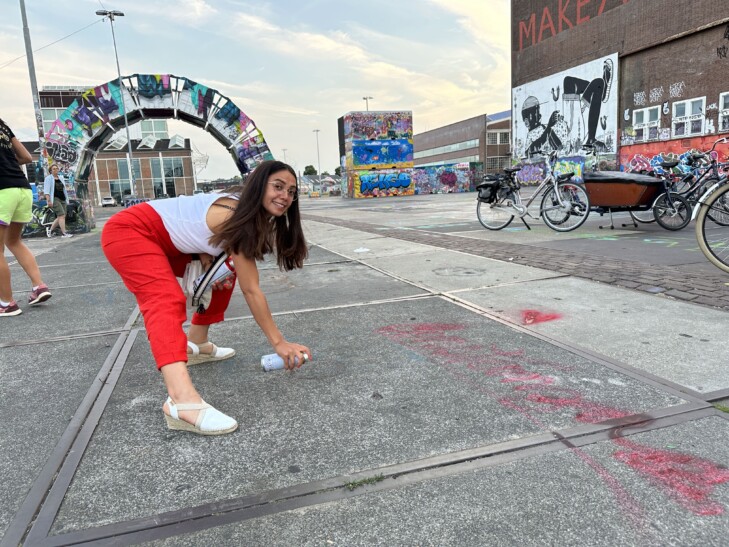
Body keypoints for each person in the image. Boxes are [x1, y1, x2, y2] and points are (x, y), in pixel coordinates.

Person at [101, 160, 312, 436]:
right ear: (259, 185)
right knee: (163, 298)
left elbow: (194, 223)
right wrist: (279, 342)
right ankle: (181, 401)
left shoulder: (245, 210)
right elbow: (252, 290)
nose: (285, 196)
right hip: (129, 232)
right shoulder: (234, 215)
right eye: (278, 186)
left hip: (165, 240)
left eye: (292, 191)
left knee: (226, 271)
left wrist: (206, 255)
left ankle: (196, 344)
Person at [0, 118, 52, 316]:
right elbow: (26, 157)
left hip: (2, 191)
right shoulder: (4, 125)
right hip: (21, 188)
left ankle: (6, 303)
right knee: (14, 241)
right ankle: (38, 286)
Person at [44, 163, 73, 237]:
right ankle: (64, 233)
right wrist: (48, 200)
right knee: (61, 215)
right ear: (50, 171)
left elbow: (64, 189)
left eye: (57, 168)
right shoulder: (48, 178)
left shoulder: (61, 177)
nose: (56, 170)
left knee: (61, 216)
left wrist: (67, 199)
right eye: (54, 169)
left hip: (62, 198)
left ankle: (50, 231)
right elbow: (46, 191)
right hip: (55, 199)